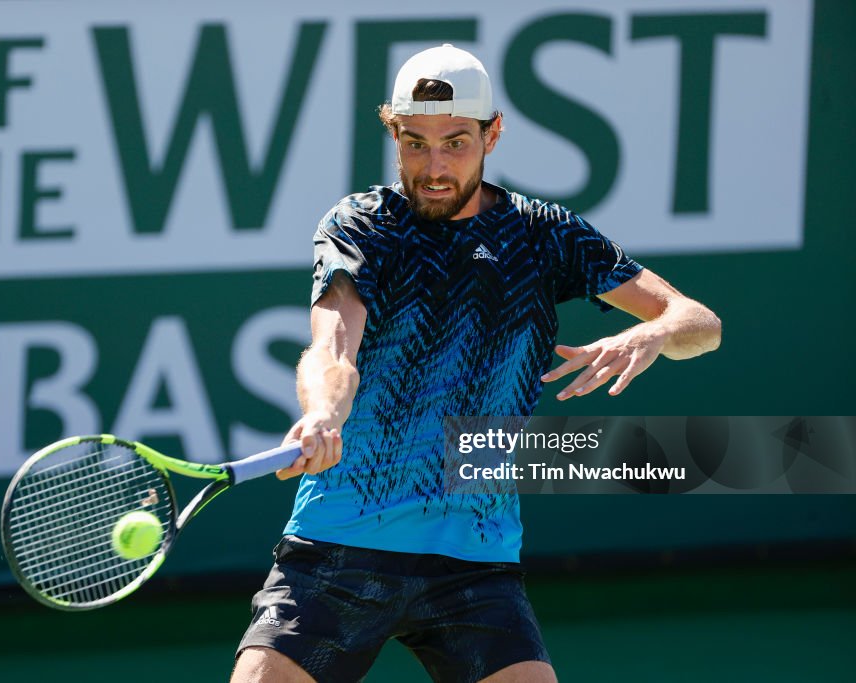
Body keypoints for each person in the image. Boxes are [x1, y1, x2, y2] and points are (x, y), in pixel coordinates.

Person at [231, 44, 721, 683]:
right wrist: (323, 411)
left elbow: (699, 323)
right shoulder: (361, 225)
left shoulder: (545, 235)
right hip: (341, 544)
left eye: (455, 142)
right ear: (394, 134)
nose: (433, 166)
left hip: (475, 558)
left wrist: (649, 335)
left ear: (493, 133)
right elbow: (332, 347)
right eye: (414, 143)